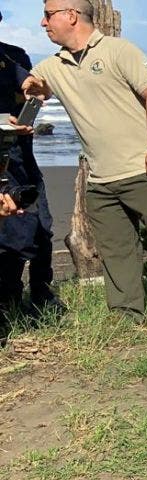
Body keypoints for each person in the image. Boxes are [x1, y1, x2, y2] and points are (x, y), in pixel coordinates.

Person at [22, 0, 147, 339]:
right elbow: (36, 85)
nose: (42, 22)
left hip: (142, 169)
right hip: (99, 180)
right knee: (117, 252)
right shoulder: (52, 65)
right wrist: (32, 88)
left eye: (48, 15)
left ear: (71, 16)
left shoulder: (120, 51)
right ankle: (126, 318)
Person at [0, 8, 59, 317]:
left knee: (41, 229)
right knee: (10, 233)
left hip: (23, 158)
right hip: (3, 163)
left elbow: (32, 89)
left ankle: (41, 293)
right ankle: (8, 299)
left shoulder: (13, 55)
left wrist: (33, 92)